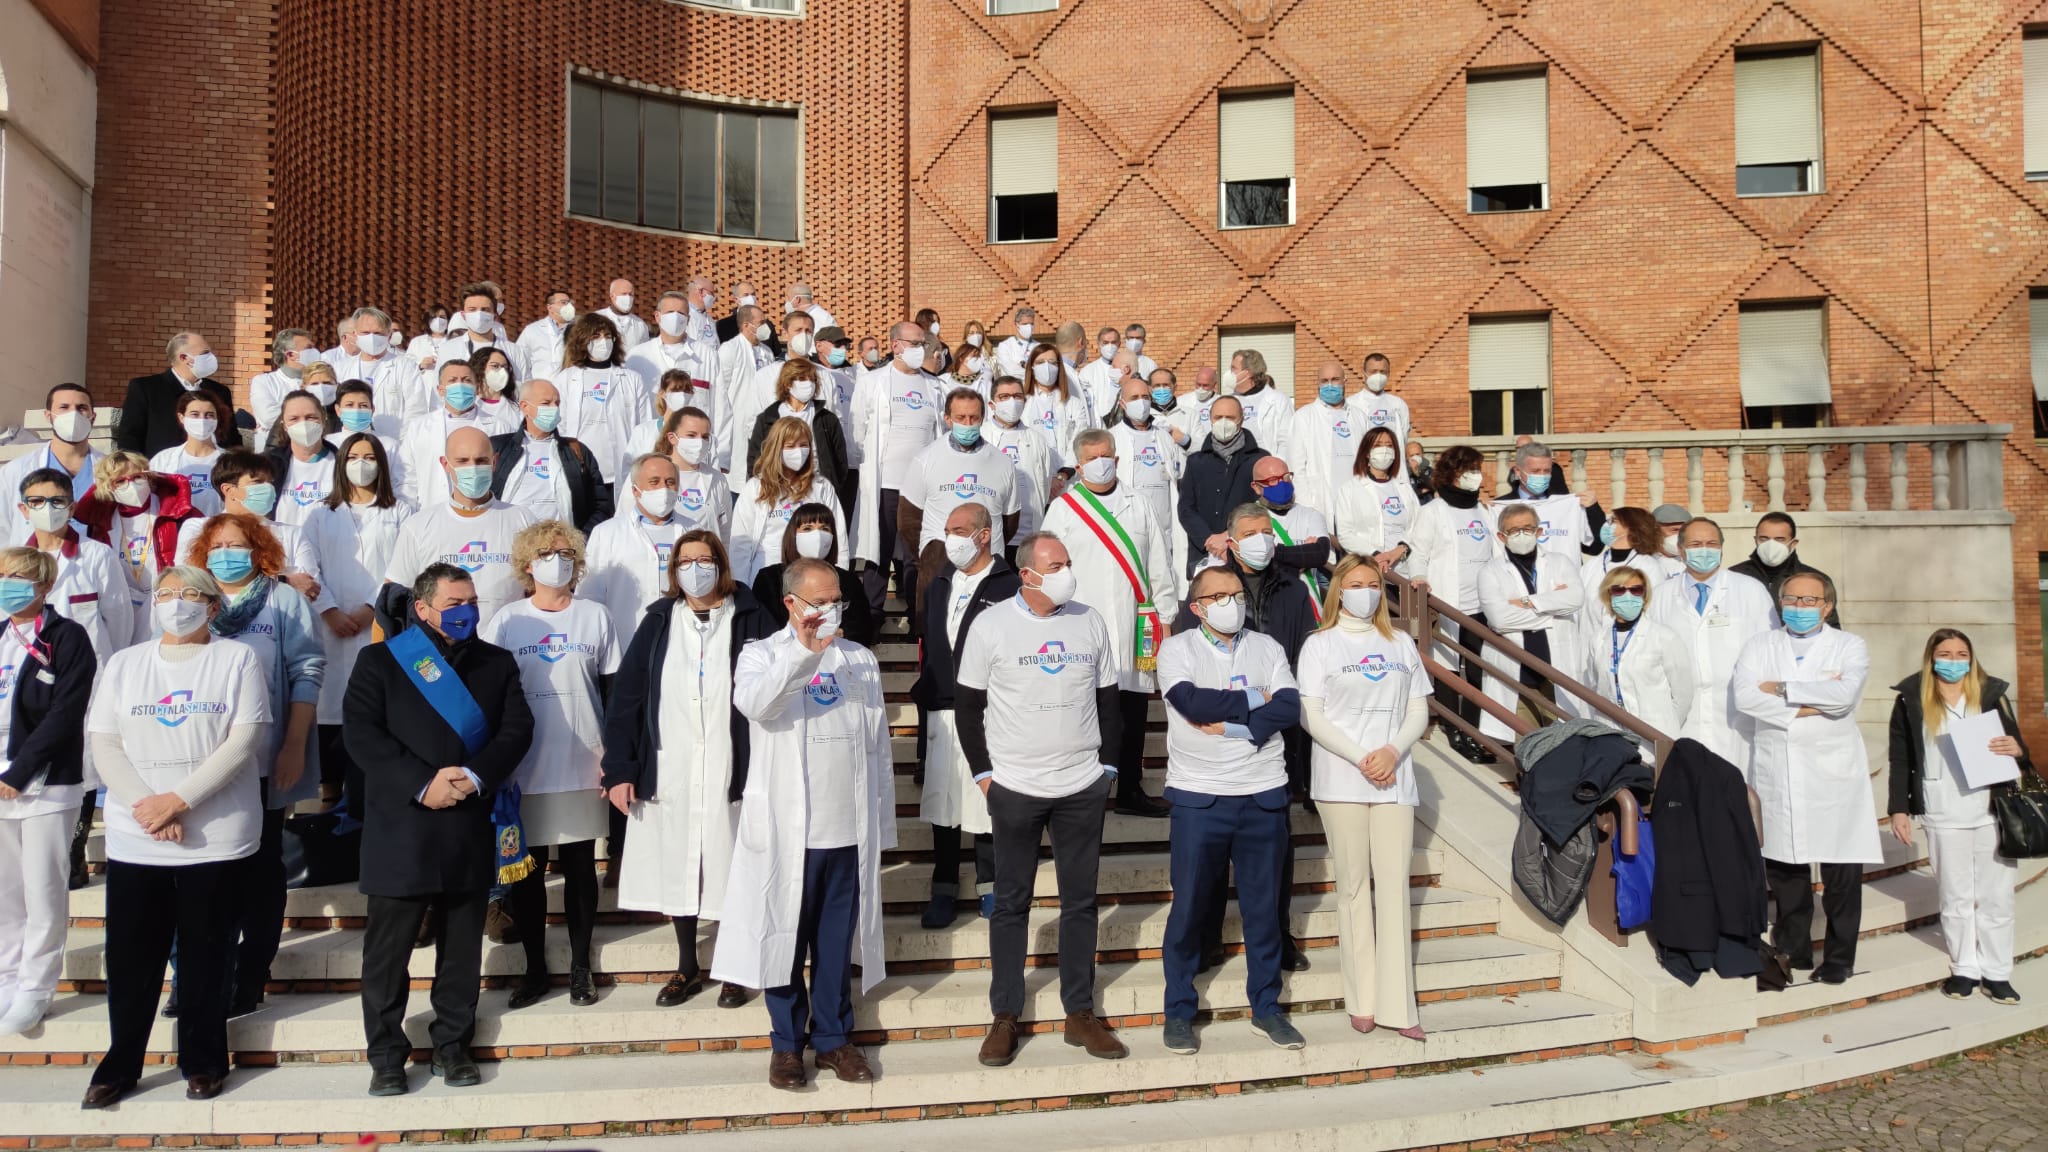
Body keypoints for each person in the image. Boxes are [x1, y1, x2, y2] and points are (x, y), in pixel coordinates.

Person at [346, 562, 535, 1097]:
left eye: (471, 601)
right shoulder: (380, 660)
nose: (466, 611)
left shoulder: (496, 663)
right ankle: (386, 1056)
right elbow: (362, 734)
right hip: (401, 826)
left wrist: (475, 777)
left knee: (460, 952)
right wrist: (421, 783)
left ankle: (452, 1046)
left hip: (469, 823)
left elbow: (517, 729)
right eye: (454, 604)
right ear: (423, 608)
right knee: (388, 956)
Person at [83, 566, 268, 1108]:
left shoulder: (237, 659)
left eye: (191, 594)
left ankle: (205, 1059)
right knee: (132, 958)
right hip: (137, 836)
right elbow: (105, 742)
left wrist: (178, 800)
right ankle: (122, 1063)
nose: (176, 603)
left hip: (214, 835)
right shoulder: (125, 664)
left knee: (207, 955)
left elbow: (244, 738)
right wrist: (150, 808)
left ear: (213, 607)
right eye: (165, 594)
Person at [712, 558, 894, 1090]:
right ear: (791, 603)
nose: (829, 610)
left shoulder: (860, 660)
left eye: (836, 599)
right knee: (783, 942)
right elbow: (758, 706)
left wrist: (880, 822)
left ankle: (835, 1039)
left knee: (836, 946)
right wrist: (802, 654)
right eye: (818, 601)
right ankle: (787, 1046)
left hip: (846, 831)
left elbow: (878, 745)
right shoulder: (761, 655)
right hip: (787, 836)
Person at [957, 532, 1128, 1067]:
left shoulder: (1090, 620)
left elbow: (1109, 702)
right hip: (1016, 787)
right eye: (1056, 564)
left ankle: (1080, 1011)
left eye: (1069, 563)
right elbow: (967, 706)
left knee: (1080, 902)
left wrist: (1108, 771)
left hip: (1081, 784)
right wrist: (986, 776)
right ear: (1027, 573)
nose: (1067, 572)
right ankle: (1005, 1014)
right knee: (1010, 904)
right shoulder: (991, 625)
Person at [603, 531, 775, 1010]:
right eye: (685, 561)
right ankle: (687, 967)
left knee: (730, 863)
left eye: (704, 559)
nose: (694, 568)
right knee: (681, 866)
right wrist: (620, 767)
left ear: (721, 564)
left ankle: (734, 967)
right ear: (673, 569)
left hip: (732, 762)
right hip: (672, 761)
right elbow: (628, 700)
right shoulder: (658, 621)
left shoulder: (753, 616)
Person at [1156, 564, 1305, 1055]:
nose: (1231, 603)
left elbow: (1288, 707)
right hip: (1201, 797)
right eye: (1218, 596)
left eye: (1237, 594)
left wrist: (1242, 725)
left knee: (1264, 911)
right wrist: (1255, 698)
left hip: (1263, 793)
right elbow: (1191, 702)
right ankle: (1179, 1009)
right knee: (1191, 907)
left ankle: (1267, 1007)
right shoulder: (1177, 648)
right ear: (1196, 607)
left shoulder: (1267, 647)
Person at [184, 512, 324, 1015]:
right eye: (217, 544)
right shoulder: (193, 601)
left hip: (266, 759)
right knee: (202, 873)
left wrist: (293, 745)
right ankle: (194, 975)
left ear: (258, 547)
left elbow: (307, 670)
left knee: (263, 872)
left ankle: (251, 974)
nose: (226, 552)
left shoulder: (282, 600)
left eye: (237, 543)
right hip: (201, 760)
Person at [1173, 501, 1321, 969]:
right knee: (1212, 864)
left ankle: (1278, 935)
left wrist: (1257, 721)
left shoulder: (1294, 590)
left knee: (1277, 858)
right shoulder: (1205, 594)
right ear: (1232, 539)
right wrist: (1253, 705)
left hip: (1277, 741)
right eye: (1252, 532)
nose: (1263, 540)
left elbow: (1299, 668)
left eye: (1267, 531)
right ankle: (1209, 937)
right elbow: (1193, 690)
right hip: (1213, 757)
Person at [482, 521, 618, 1010]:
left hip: (584, 762)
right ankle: (535, 969)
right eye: (545, 552)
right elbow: (489, 694)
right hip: (525, 769)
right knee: (528, 873)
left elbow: (612, 691)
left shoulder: (595, 617)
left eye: (564, 552)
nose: (555, 560)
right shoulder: (506, 621)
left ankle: (581, 967)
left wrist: (616, 760)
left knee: (581, 869)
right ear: (526, 563)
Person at [1297, 555, 1429, 1039]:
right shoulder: (1320, 645)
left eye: (1373, 584)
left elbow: (1418, 708)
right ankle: (1363, 1000)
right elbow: (1310, 713)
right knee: (1353, 887)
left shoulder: (1400, 644)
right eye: (1355, 584)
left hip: (1395, 778)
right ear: (1338, 590)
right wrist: (1360, 756)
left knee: (1393, 886)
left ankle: (1401, 1007)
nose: (1365, 591)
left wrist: (1393, 750)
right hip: (1341, 780)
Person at [1734, 572, 1879, 984]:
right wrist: (1812, 697)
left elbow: (1843, 697)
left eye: (1809, 600)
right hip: (1777, 768)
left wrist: (1778, 688)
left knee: (1841, 877)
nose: (1799, 607)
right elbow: (1745, 698)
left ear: (1827, 606)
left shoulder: (1849, 646)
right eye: (1791, 599)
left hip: (1833, 774)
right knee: (1786, 873)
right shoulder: (1760, 645)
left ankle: (1838, 959)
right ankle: (1793, 953)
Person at [1887, 629, 2028, 1006]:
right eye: (1945, 653)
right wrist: (1898, 808)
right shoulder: (1910, 701)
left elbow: (2019, 750)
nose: (1953, 660)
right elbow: (1900, 759)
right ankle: (1964, 968)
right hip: (1943, 810)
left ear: (1972, 657)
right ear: (1931, 657)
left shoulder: (1991, 696)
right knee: (1955, 896)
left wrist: (2018, 748)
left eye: (1961, 653)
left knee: (1996, 897)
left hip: (1991, 810)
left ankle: (1997, 973)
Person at [1040, 430, 1178, 817]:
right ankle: (1086, 792)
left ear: (1117, 459)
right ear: (1078, 465)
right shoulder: (1065, 509)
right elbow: (1051, 568)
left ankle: (1130, 789)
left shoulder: (1140, 503)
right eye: (1092, 457)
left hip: (1136, 623)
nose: (1101, 462)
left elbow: (1159, 566)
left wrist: (1166, 618)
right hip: (1081, 623)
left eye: (1107, 455)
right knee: (1087, 711)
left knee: (1134, 710)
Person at [0, 548, 96, 1037]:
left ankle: (36, 989)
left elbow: (65, 713)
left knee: (41, 891)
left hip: (44, 783)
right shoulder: (0, 635)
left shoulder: (67, 637)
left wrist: (18, 773)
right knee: (5, 894)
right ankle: (5, 982)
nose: (8, 584)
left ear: (42, 585)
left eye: (18, 577)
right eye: (1, 576)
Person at [914, 504, 1019, 928]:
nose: (949, 537)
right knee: (944, 801)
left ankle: (990, 885)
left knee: (985, 801)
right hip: (941, 708)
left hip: (989, 710)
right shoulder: (940, 582)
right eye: (947, 529)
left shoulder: (1008, 584)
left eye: (959, 529)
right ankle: (943, 886)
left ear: (984, 534)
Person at [301, 433, 413, 811]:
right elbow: (307, 564)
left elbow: (406, 563)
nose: (361, 464)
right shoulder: (319, 513)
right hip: (329, 628)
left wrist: (371, 607)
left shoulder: (402, 510)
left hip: (381, 625)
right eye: (353, 456)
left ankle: (370, 805)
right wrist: (330, 610)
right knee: (331, 719)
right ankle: (330, 808)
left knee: (375, 712)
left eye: (369, 457)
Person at [1649, 516, 1776, 775]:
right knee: (1690, 789)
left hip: (1736, 715)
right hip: (1683, 716)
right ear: (1681, 550)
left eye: (1711, 543)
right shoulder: (1661, 596)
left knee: (1738, 791)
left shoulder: (1750, 590)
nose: (1705, 549)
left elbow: (1770, 648)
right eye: (1696, 543)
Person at [381, 426, 539, 627]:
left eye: (481, 461)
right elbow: (393, 599)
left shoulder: (523, 520)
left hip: (509, 646)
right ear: (445, 464)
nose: (472, 468)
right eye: (462, 461)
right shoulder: (418, 526)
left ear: (494, 462)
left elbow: (539, 590)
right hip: (442, 652)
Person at [1401, 446, 1496, 761]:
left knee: (1479, 671)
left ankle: (1473, 730)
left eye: (1476, 468)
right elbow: (1419, 552)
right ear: (1452, 473)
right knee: (1449, 669)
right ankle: (1455, 730)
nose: (1474, 475)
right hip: (1448, 602)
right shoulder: (1434, 512)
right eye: (1467, 469)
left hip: (1483, 605)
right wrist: (1419, 578)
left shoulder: (1484, 511)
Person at [898, 389, 1022, 616]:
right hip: (939, 567)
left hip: (988, 565)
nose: (968, 424)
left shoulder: (1003, 463)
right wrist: (931, 553)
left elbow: (1010, 521)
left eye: (974, 418)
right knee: (937, 639)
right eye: (960, 418)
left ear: (982, 418)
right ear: (947, 418)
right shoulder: (925, 459)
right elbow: (908, 520)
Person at [852, 320, 942, 616]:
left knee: (918, 554)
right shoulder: (872, 381)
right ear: (896, 346)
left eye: (923, 344)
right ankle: (873, 616)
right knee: (879, 551)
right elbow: (857, 427)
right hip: (885, 482)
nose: (921, 349)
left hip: (922, 487)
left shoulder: (934, 386)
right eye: (915, 344)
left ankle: (918, 614)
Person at [1476, 503, 1585, 744]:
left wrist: (1526, 602)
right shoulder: (1490, 571)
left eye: (1528, 528)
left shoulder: (1560, 562)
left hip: (1557, 666)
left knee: (1566, 737)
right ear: (1501, 536)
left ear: (1539, 531)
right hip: (1518, 671)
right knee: (1527, 742)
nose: (1522, 535)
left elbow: (1575, 599)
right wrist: (1552, 612)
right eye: (1514, 530)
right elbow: (1500, 619)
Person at [73, 452, 208, 640]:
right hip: (122, 606)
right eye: (120, 481)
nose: (131, 485)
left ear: (148, 476)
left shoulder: (179, 513)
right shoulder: (99, 525)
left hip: (169, 602)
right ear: (107, 487)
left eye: (137, 477)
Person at [17, 468, 133, 660]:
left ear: (71, 508)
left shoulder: (98, 554)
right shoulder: (15, 563)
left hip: (88, 671)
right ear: (24, 510)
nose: (47, 509)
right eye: (37, 502)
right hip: (32, 665)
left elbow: (119, 621)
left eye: (57, 501)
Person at [1583, 567, 1693, 756]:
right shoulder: (1599, 639)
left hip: (1654, 733)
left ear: (1645, 596)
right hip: (1611, 731)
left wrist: (1665, 723)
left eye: (1636, 590)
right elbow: (1595, 686)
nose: (1628, 596)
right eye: (1619, 590)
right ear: (1608, 595)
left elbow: (1683, 694)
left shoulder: (1663, 636)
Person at [730, 419, 851, 586]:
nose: (798, 452)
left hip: (812, 575)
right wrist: (741, 589)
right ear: (776, 448)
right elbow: (740, 545)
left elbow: (839, 538)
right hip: (767, 577)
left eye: (803, 445)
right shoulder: (755, 488)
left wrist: (839, 580)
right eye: (790, 446)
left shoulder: (821, 487)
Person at [487, 377, 614, 534]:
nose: (554, 408)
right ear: (525, 407)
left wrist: (580, 539)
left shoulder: (576, 450)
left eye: (557, 403)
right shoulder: (497, 447)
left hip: (563, 548)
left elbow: (601, 504)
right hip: (509, 543)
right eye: (546, 403)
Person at [749, 502, 877, 648]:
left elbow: (862, 629)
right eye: (807, 528)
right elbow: (763, 627)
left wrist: (841, 635)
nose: (817, 535)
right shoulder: (770, 579)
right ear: (793, 534)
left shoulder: (849, 581)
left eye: (824, 529)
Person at [1104, 369, 1184, 584]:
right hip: (1127, 527)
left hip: (1164, 527)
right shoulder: (1111, 438)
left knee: (1162, 587)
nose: (1141, 402)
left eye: (1145, 397)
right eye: (1134, 398)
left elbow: (1175, 477)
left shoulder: (1164, 438)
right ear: (1122, 404)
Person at [0, 384, 106, 546]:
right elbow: (3, 528)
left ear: (93, 416)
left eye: (82, 408)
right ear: (48, 416)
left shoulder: (110, 469)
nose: (74, 414)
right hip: (33, 564)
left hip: (93, 565)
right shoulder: (16, 471)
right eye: (64, 407)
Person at [745, 357, 853, 512]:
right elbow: (755, 458)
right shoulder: (768, 418)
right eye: (802, 378)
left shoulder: (826, 419)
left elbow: (840, 460)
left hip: (817, 489)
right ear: (788, 383)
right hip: (779, 492)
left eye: (812, 379)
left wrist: (832, 486)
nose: (808, 383)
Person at [1178, 395, 1269, 578]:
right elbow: (1186, 508)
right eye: (1218, 417)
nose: (1224, 422)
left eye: (1230, 417)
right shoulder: (1196, 461)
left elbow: (1264, 504)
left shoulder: (1260, 459)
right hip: (1204, 554)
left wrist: (1229, 537)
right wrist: (1208, 539)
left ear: (1241, 419)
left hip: (1247, 553)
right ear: (1210, 419)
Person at [553, 315, 649, 487]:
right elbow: (561, 424)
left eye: (607, 336)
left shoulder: (632, 379)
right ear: (583, 341)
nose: (603, 342)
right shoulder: (567, 378)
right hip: (582, 469)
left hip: (622, 469)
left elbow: (644, 426)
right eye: (595, 337)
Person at [117, 332, 238, 458]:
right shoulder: (146, 388)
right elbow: (130, 436)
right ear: (184, 358)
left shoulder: (219, 391)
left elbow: (232, 437)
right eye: (204, 353)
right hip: (162, 470)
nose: (211, 357)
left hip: (214, 471)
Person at [398, 360, 498, 509]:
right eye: (452, 380)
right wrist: (411, 512)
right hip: (431, 511)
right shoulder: (419, 427)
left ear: (477, 388)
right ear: (440, 390)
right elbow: (406, 476)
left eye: (466, 380)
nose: (460, 385)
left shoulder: (499, 426)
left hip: (486, 511)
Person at [983, 375, 1059, 557]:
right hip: (991, 535)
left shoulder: (1037, 439)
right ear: (992, 404)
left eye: (1017, 396)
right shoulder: (981, 436)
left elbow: (1046, 482)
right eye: (1004, 397)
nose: (1012, 401)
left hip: (1028, 535)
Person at [1332, 427, 1420, 576]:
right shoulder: (1349, 489)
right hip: (1370, 570)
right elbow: (1345, 534)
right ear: (1367, 452)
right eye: (1378, 445)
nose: (1384, 450)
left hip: (1406, 571)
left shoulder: (1404, 488)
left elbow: (1418, 525)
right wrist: (1376, 555)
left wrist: (1400, 549)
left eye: (1389, 445)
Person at [1729, 511, 1840, 627]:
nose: (1771, 545)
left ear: (1793, 543)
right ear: (1755, 540)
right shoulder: (1734, 575)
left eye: (1779, 539)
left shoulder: (1817, 580)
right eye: (1764, 538)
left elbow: (1831, 626)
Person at [1499, 441, 1604, 561]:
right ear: (1518, 471)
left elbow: (1595, 548)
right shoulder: (1500, 507)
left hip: (1563, 578)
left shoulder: (1566, 506)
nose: (1542, 475)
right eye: (1536, 471)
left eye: (1547, 471)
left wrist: (1593, 510)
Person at [331, 307, 423, 428]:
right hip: (353, 441)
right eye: (365, 333)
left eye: (378, 333)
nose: (372, 338)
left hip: (394, 441)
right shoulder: (341, 368)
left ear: (389, 336)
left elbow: (416, 410)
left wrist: (403, 443)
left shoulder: (406, 366)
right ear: (355, 334)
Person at [1291, 361, 1365, 511]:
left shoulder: (1360, 417)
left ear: (1345, 382)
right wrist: (1306, 505)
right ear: (1317, 383)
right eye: (1324, 381)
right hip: (1319, 501)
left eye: (1335, 379)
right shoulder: (1304, 417)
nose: (1330, 385)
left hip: (1356, 499)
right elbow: (1296, 466)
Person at [148, 389, 231, 515]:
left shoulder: (231, 462)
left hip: (216, 531)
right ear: (181, 417)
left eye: (209, 415)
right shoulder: (163, 460)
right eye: (195, 414)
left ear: (217, 419)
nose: (202, 420)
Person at [715, 305, 776, 472]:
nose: (766, 327)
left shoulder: (767, 352)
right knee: (738, 471)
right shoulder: (730, 349)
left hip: (763, 421)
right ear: (746, 325)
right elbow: (720, 391)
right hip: (737, 421)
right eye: (761, 322)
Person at [268, 389, 341, 526]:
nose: (303, 424)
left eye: (311, 417)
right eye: (294, 419)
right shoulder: (269, 464)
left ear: (323, 419)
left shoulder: (342, 463)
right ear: (284, 425)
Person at [1019, 343, 1095, 470]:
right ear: (1031, 367)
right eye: (1040, 362)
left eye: (1052, 362)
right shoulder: (1023, 402)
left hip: (1065, 476)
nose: (1046, 366)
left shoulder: (1074, 403)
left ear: (1059, 367)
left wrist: (1065, 471)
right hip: (1033, 474)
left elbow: (1079, 438)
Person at [249, 329, 321, 449]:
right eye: (308, 348)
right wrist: (310, 421)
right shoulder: (264, 381)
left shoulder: (320, 383)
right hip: (274, 450)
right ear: (290, 355)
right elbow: (268, 417)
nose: (315, 352)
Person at [1583, 506, 1679, 589]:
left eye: (1614, 521)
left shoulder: (1649, 566)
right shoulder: (1593, 564)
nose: (1607, 525)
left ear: (1631, 528)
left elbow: (1655, 602)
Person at [1223, 349, 1291, 462]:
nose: (1229, 373)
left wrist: (1276, 465)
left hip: (1265, 468)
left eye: (1233, 368)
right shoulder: (1229, 401)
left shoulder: (1278, 400)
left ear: (1248, 373)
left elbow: (1286, 440)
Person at [1353, 352, 1412, 463]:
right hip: (1360, 465)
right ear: (1364, 374)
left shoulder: (1398, 405)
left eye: (1382, 372)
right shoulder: (1351, 404)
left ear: (1388, 374)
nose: (1378, 376)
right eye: (1373, 372)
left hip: (1392, 465)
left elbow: (1403, 438)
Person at [516, 289, 577, 383]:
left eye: (569, 303)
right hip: (538, 386)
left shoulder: (578, 330)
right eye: (563, 302)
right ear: (550, 307)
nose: (568, 306)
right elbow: (519, 359)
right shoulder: (532, 330)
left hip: (568, 384)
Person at [467, 346, 524, 435]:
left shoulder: (517, 408)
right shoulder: (467, 406)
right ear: (480, 368)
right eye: (495, 366)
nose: (501, 371)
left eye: (505, 367)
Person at [596, 278, 649, 351]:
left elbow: (644, 353)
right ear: (612, 296)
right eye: (624, 294)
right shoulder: (596, 318)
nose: (628, 297)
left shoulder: (640, 325)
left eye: (631, 294)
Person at [992, 307, 1037, 379]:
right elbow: (1011, 371)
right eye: (1025, 324)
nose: (1029, 327)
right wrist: (1034, 372)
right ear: (1017, 325)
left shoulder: (1039, 346)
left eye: (1031, 324)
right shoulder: (1005, 346)